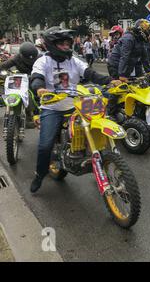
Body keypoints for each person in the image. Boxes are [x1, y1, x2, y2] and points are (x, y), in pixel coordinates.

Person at [29, 27, 121, 193]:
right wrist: (40, 89)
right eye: (61, 43)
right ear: (51, 44)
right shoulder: (43, 61)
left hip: (76, 105)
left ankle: (99, 162)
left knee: (94, 128)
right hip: (53, 107)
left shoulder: (74, 60)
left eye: (67, 43)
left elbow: (90, 73)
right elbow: (37, 78)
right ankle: (40, 174)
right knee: (45, 145)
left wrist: (110, 80)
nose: (66, 46)